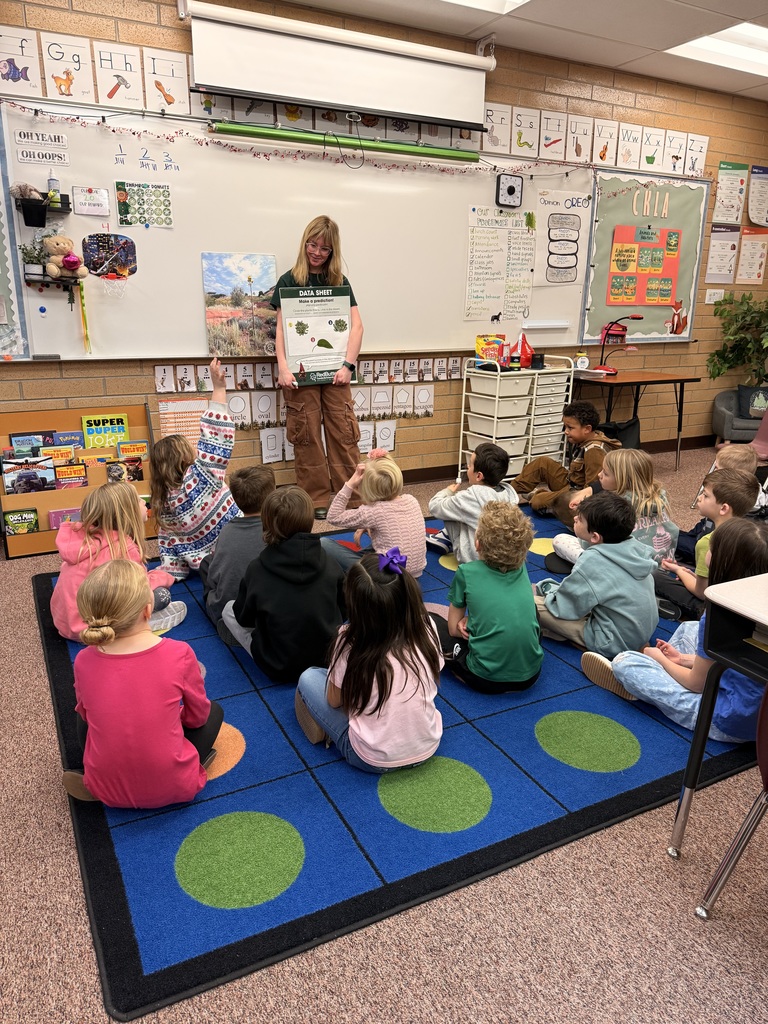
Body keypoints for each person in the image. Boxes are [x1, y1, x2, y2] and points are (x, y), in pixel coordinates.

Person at [581, 518, 768, 743]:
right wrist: (683, 659)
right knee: (690, 628)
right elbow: (737, 659)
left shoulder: (719, 614)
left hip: (730, 720)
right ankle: (664, 671)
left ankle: (644, 682)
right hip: (759, 710)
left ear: (722, 562)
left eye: (711, 548)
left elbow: (695, 684)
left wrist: (659, 658)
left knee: (625, 661)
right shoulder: (756, 604)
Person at [62, 560, 224, 807]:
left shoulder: (83, 660)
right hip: (177, 786)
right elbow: (197, 718)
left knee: (82, 713)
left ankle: (95, 777)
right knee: (214, 711)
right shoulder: (179, 653)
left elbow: (86, 714)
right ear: (148, 610)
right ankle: (191, 768)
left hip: (105, 788)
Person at [294, 549, 443, 773]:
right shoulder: (426, 626)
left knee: (309, 677)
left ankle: (336, 731)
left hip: (371, 759)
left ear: (356, 606)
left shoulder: (348, 640)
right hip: (428, 746)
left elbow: (334, 701)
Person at [272, 215, 363, 520]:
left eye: (325, 248)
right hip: (299, 375)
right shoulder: (288, 281)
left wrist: (348, 365)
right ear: (304, 243)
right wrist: (283, 367)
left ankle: (350, 496)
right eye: (313, 244)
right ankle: (317, 499)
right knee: (306, 436)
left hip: (336, 373)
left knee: (344, 434)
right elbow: (282, 329)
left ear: (332, 251)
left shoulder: (338, 282)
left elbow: (356, 327)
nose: (317, 252)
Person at [222, 485, 346, 683]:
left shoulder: (257, 569)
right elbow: (344, 611)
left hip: (277, 665)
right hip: (327, 659)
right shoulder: (331, 563)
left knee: (228, 609)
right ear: (310, 520)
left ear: (267, 523)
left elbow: (244, 618)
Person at [50, 480, 185, 641]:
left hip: (65, 624)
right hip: (97, 627)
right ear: (127, 513)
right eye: (138, 499)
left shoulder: (82, 541)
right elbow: (140, 588)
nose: (144, 502)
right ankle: (140, 625)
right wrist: (164, 576)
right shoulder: (124, 548)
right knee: (161, 595)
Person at [534, 491, 658, 658]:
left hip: (612, 640)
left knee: (530, 604)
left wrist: (546, 590)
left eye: (580, 519)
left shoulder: (593, 560)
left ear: (595, 537)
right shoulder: (634, 546)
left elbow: (563, 607)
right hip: (640, 631)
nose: (575, 519)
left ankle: (599, 647)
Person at [149, 356, 240, 580]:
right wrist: (218, 387)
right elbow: (215, 435)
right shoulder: (200, 478)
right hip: (237, 550)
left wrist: (168, 575)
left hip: (208, 569)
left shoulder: (163, 501)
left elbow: (169, 548)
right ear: (184, 456)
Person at [442, 502, 543, 694]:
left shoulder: (466, 572)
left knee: (432, 624)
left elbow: (454, 630)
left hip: (484, 678)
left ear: (478, 543)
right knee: (530, 610)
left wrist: (468, 620)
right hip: (530, 677)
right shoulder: (521, 567)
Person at [655, 468, 759, 621]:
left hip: (715, 610)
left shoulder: (708, 542)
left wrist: (679, 571)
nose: (699, 498)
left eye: (705, 495)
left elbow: (702, 592)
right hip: (742, 605)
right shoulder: (752, 534)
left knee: (654, 576)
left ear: (723, 508)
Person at [552, 448, 678, 567]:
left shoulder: (612, 506)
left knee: (560, 540)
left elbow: (592, 540)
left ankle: (588, 562)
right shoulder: (659, 499)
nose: (599, 475)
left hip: (624, 566)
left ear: (623, 480)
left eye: (605, 473)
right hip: (661, 565)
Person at [510, 400, 621, 528]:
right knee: (542, 463)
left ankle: (536, 495)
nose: (566, 431)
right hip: (570, 482)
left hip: (578, 492)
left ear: (587, 429)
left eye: (570, 428)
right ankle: (508, 493)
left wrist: (572, 500)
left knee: (537, 502)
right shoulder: (583, 440)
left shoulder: (594, 451)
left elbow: (593, 489)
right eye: (565, 427)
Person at [199, 465, 276, 644]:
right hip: (269, 607)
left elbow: (215, 575)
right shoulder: (276, 529)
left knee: (206, 564)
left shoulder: (227, 531)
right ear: (272, 495)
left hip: (228, 609)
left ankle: (230, 626)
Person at [322, 449, 426, 576]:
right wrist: (366, 526)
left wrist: (349, 484)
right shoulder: (412, 500)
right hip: (414, 574)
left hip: (386, 578)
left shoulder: (373, 511)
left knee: (323, 544)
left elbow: (333, 516)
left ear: (365, 488)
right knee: (382, 542)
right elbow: (390, 525)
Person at [427, 442, 519, 563]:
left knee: (451, 507)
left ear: (479, 476)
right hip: (505, 559)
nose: (467, 468)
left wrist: (448, 492)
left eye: (470, 465)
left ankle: (446, 537)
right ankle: (444, 535)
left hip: (474, 558)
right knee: (464, 512)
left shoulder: (469, 497)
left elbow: (434, 506)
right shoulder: (509, 494)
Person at [676, 445, 764, 565]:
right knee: (672, 533)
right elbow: (706, 523)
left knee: (666, 537)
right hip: (706, 532)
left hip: (708, 549)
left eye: (717, 469)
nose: (713, 472)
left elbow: (709, 547)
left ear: (731, 476)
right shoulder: (753, 492)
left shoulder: (737, 509)